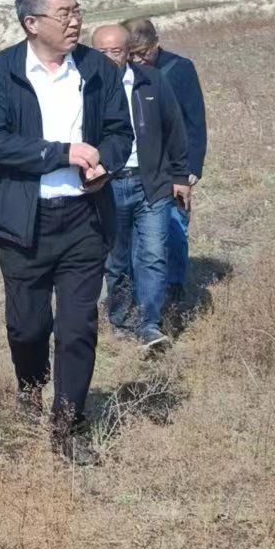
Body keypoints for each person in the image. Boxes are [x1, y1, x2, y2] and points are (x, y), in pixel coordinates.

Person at [0, 0, 131, 460]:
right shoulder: (0, 72)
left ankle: (68, 427)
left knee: (78, 327)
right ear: (31, 23)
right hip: (24, 221)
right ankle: (30, 386)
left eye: (77, 11)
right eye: (64, 14)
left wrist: (106, 164)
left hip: (85, 217)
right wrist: (62, 153)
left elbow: (120, 133)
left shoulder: (97, 69)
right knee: (28, 326)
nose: (75, 21)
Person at [90, 24, 190, 353]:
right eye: (101, 52)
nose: (108, 58)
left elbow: (175, 128)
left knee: (154, 254)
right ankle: (121, 320)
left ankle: (150, 324)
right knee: (116, 260)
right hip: (108, 185)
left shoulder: (152, 81)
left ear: (128, 52)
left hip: (152, 182)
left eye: (115, 51)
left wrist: (180, 176)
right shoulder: (84, 86)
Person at [122, 17, 207, 308]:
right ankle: (138, 293)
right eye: (131, 53)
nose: (137, 60)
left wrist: (191, 168)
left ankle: (174, 289)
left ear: (156, 43)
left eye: (143, 53)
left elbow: (195, 121)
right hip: (139, 166)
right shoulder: (121, 71)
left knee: (174, 227)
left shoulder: (179, 68)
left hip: (174, 166)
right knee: (137, 234)